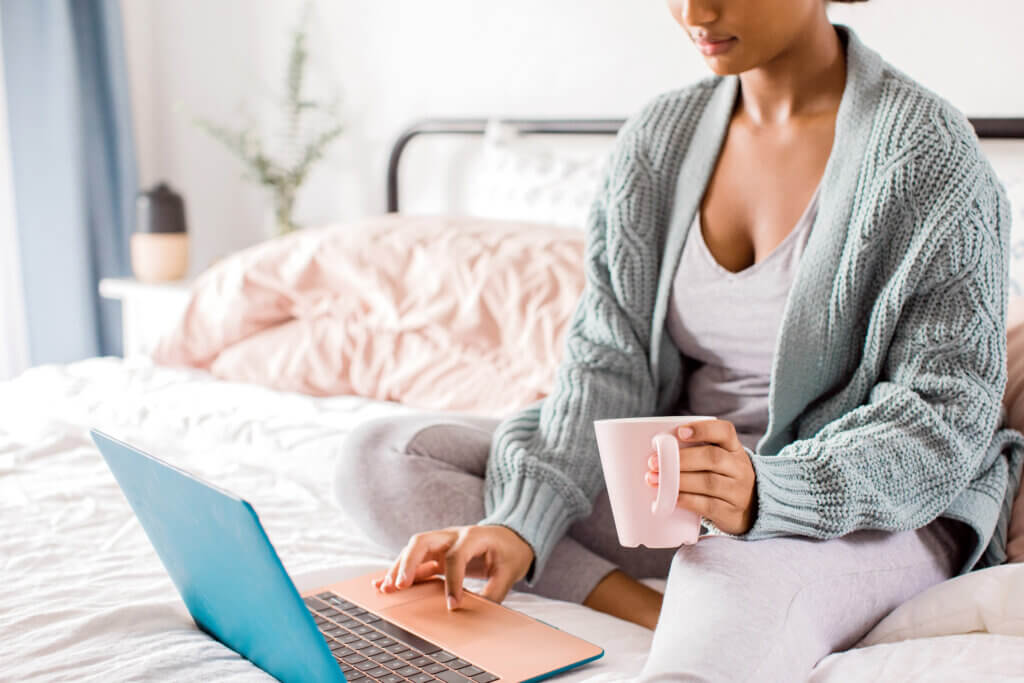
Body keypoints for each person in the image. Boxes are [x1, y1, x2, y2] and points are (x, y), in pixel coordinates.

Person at [333, 0, 1024, 680]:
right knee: (385, 456)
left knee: (726, 569)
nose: (694, 9)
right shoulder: (658, 138)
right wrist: (520, 520)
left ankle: (709, 601)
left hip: (872, 511)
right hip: (683, 495)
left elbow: (943, 419)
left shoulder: (931, 155)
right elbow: (607, 359)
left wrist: (766, 490)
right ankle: (643, 606)